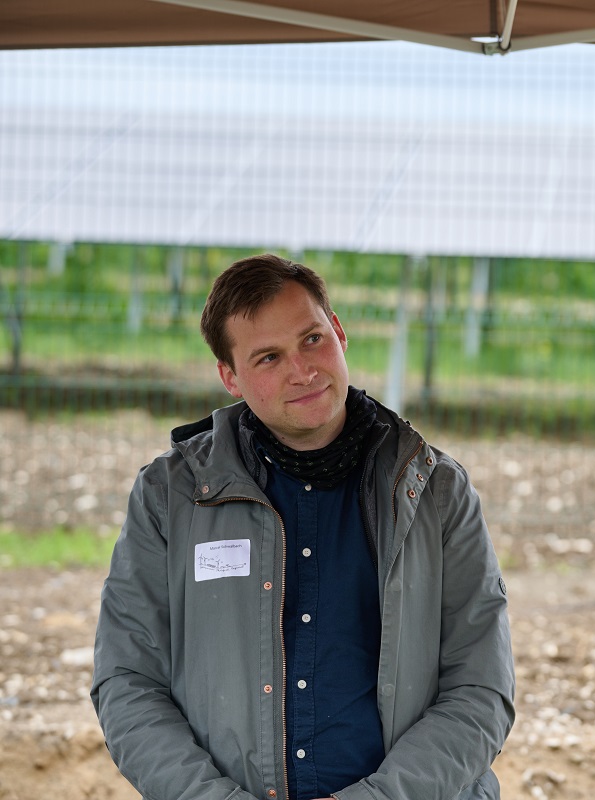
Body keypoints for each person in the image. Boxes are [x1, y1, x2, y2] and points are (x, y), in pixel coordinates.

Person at [92, 254, 515, 800]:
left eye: (312, 339)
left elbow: (480, 689)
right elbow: (128, 682)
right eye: (269, 357)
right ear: (230, 377)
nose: (303, 370)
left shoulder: (435, 489)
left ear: (339, 332)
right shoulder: (169, 496)